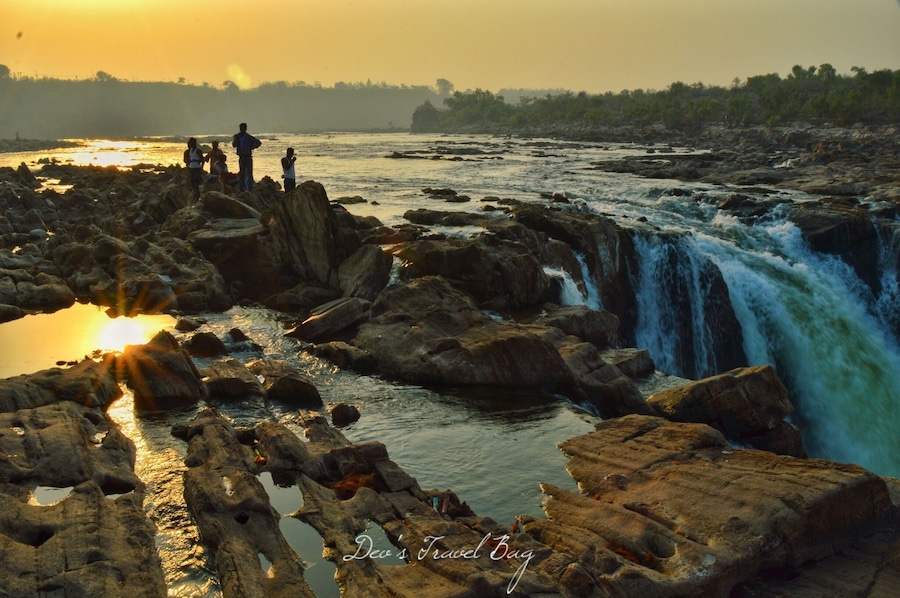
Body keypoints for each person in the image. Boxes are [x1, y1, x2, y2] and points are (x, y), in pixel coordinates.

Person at [232, 122, 261, 191]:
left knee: (249, 172)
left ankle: (250, 188)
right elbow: (234, 145)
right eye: (241, 128)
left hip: (248, 156)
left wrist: (252, 147)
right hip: (241, 156)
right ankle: (242, 188)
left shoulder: (249, 137)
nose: (242, 129)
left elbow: (258, 142)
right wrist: (236, 139)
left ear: (246, 129)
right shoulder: (237, 136)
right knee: (242, 173)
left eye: (243, 128)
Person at [183, 137, 205, 202]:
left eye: (191, 142)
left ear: (194, 143)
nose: (190, 144)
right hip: (191, 168)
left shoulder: (198, 151)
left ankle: (197, 197)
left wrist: (201, 168)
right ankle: (196, 196)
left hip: (197, 168)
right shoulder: (190, 151)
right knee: (192, 183)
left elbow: (202, 160)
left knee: (196, 183)